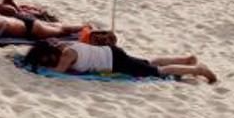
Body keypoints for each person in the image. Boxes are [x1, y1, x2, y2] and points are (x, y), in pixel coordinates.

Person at [25, 40, 216, 83]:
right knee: (147, 62)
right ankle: (186, 60)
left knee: (158, 71)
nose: (46, 63)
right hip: (112, 54)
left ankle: (199, 69)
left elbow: (58, 72)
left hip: (114, 62)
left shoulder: (66, 55)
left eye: (45, 60)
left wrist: (39, 69)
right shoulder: (61, 46)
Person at [0, 13, 84, 43]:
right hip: (22, 19)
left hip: (31, 29)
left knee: (61, 31)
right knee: (58, 26)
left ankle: (83, 28)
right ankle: (83, 26)